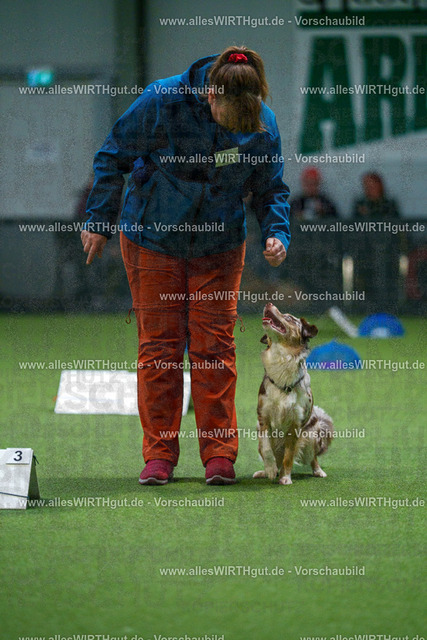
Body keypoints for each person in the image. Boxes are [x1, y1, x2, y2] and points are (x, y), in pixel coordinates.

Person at [81, 46, 290, 485]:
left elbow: (271, 187)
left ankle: (219, 455)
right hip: (153, 239)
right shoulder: (162, 100)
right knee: (160, 348)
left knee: (215, 349)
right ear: (211, 95)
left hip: (219, 244)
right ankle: (159, 455)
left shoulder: (262, 123)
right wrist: (98, 220)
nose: (236, 128)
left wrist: (277, 232)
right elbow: (112, 154)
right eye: (229, 118)